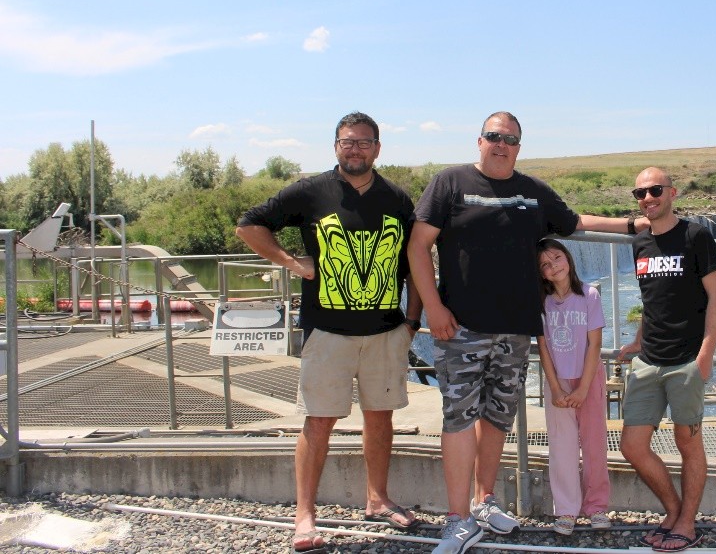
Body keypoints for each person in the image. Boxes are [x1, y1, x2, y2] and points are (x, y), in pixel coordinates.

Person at [406, 111, 645, 554]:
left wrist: (632, 225)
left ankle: (484, 501)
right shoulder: (450, 182)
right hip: (461, 326)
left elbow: (576, 222)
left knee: (497, 416)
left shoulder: (532, 191)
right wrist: (433, 308)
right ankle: (457, 519)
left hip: (516, 330)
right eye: (494, 136)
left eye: (511, 139)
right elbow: (418, 245)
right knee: (459, 418)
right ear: (479, 141)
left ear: (519, 146)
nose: (501, 144)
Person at [236, 112, 422, 554]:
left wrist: (412, 321)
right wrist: (293, 264)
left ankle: (377, 499)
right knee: (318, 420)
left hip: (384, 332)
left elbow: (415, 262)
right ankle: (305, 514)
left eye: (363, 142)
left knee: (381, 418)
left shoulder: (397, 198)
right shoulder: (309, 191)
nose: (354, 149)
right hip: (327, 332)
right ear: (335, 146)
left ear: (378, 148)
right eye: (346, 142)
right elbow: (249, 225)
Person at [618, 167, 716, 553]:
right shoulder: (640, 244)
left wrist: (705, 355)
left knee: (688, 441)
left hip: (686, 360)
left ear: (672, 192)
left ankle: (686, 524)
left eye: (655, 190)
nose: (648, 198)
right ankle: (675, 510)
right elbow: (652, 300)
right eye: (640, 193)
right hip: (649, 360)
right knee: (632, 444)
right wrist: (636, 340)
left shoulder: (696, 236)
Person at [536, 238, 612, 536]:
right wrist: (555, 388)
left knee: (594, 444)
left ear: (568, 258)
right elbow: (543, 346)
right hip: (558, 380)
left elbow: (595, 344)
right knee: (562, 446)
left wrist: (583, 388)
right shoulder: (541, 302)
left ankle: (596, 507)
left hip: (588, 378)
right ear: (541, 273)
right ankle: (566, 509)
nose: (553, 265)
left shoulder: (590, 295)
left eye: (556, 257)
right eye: (545, 264)